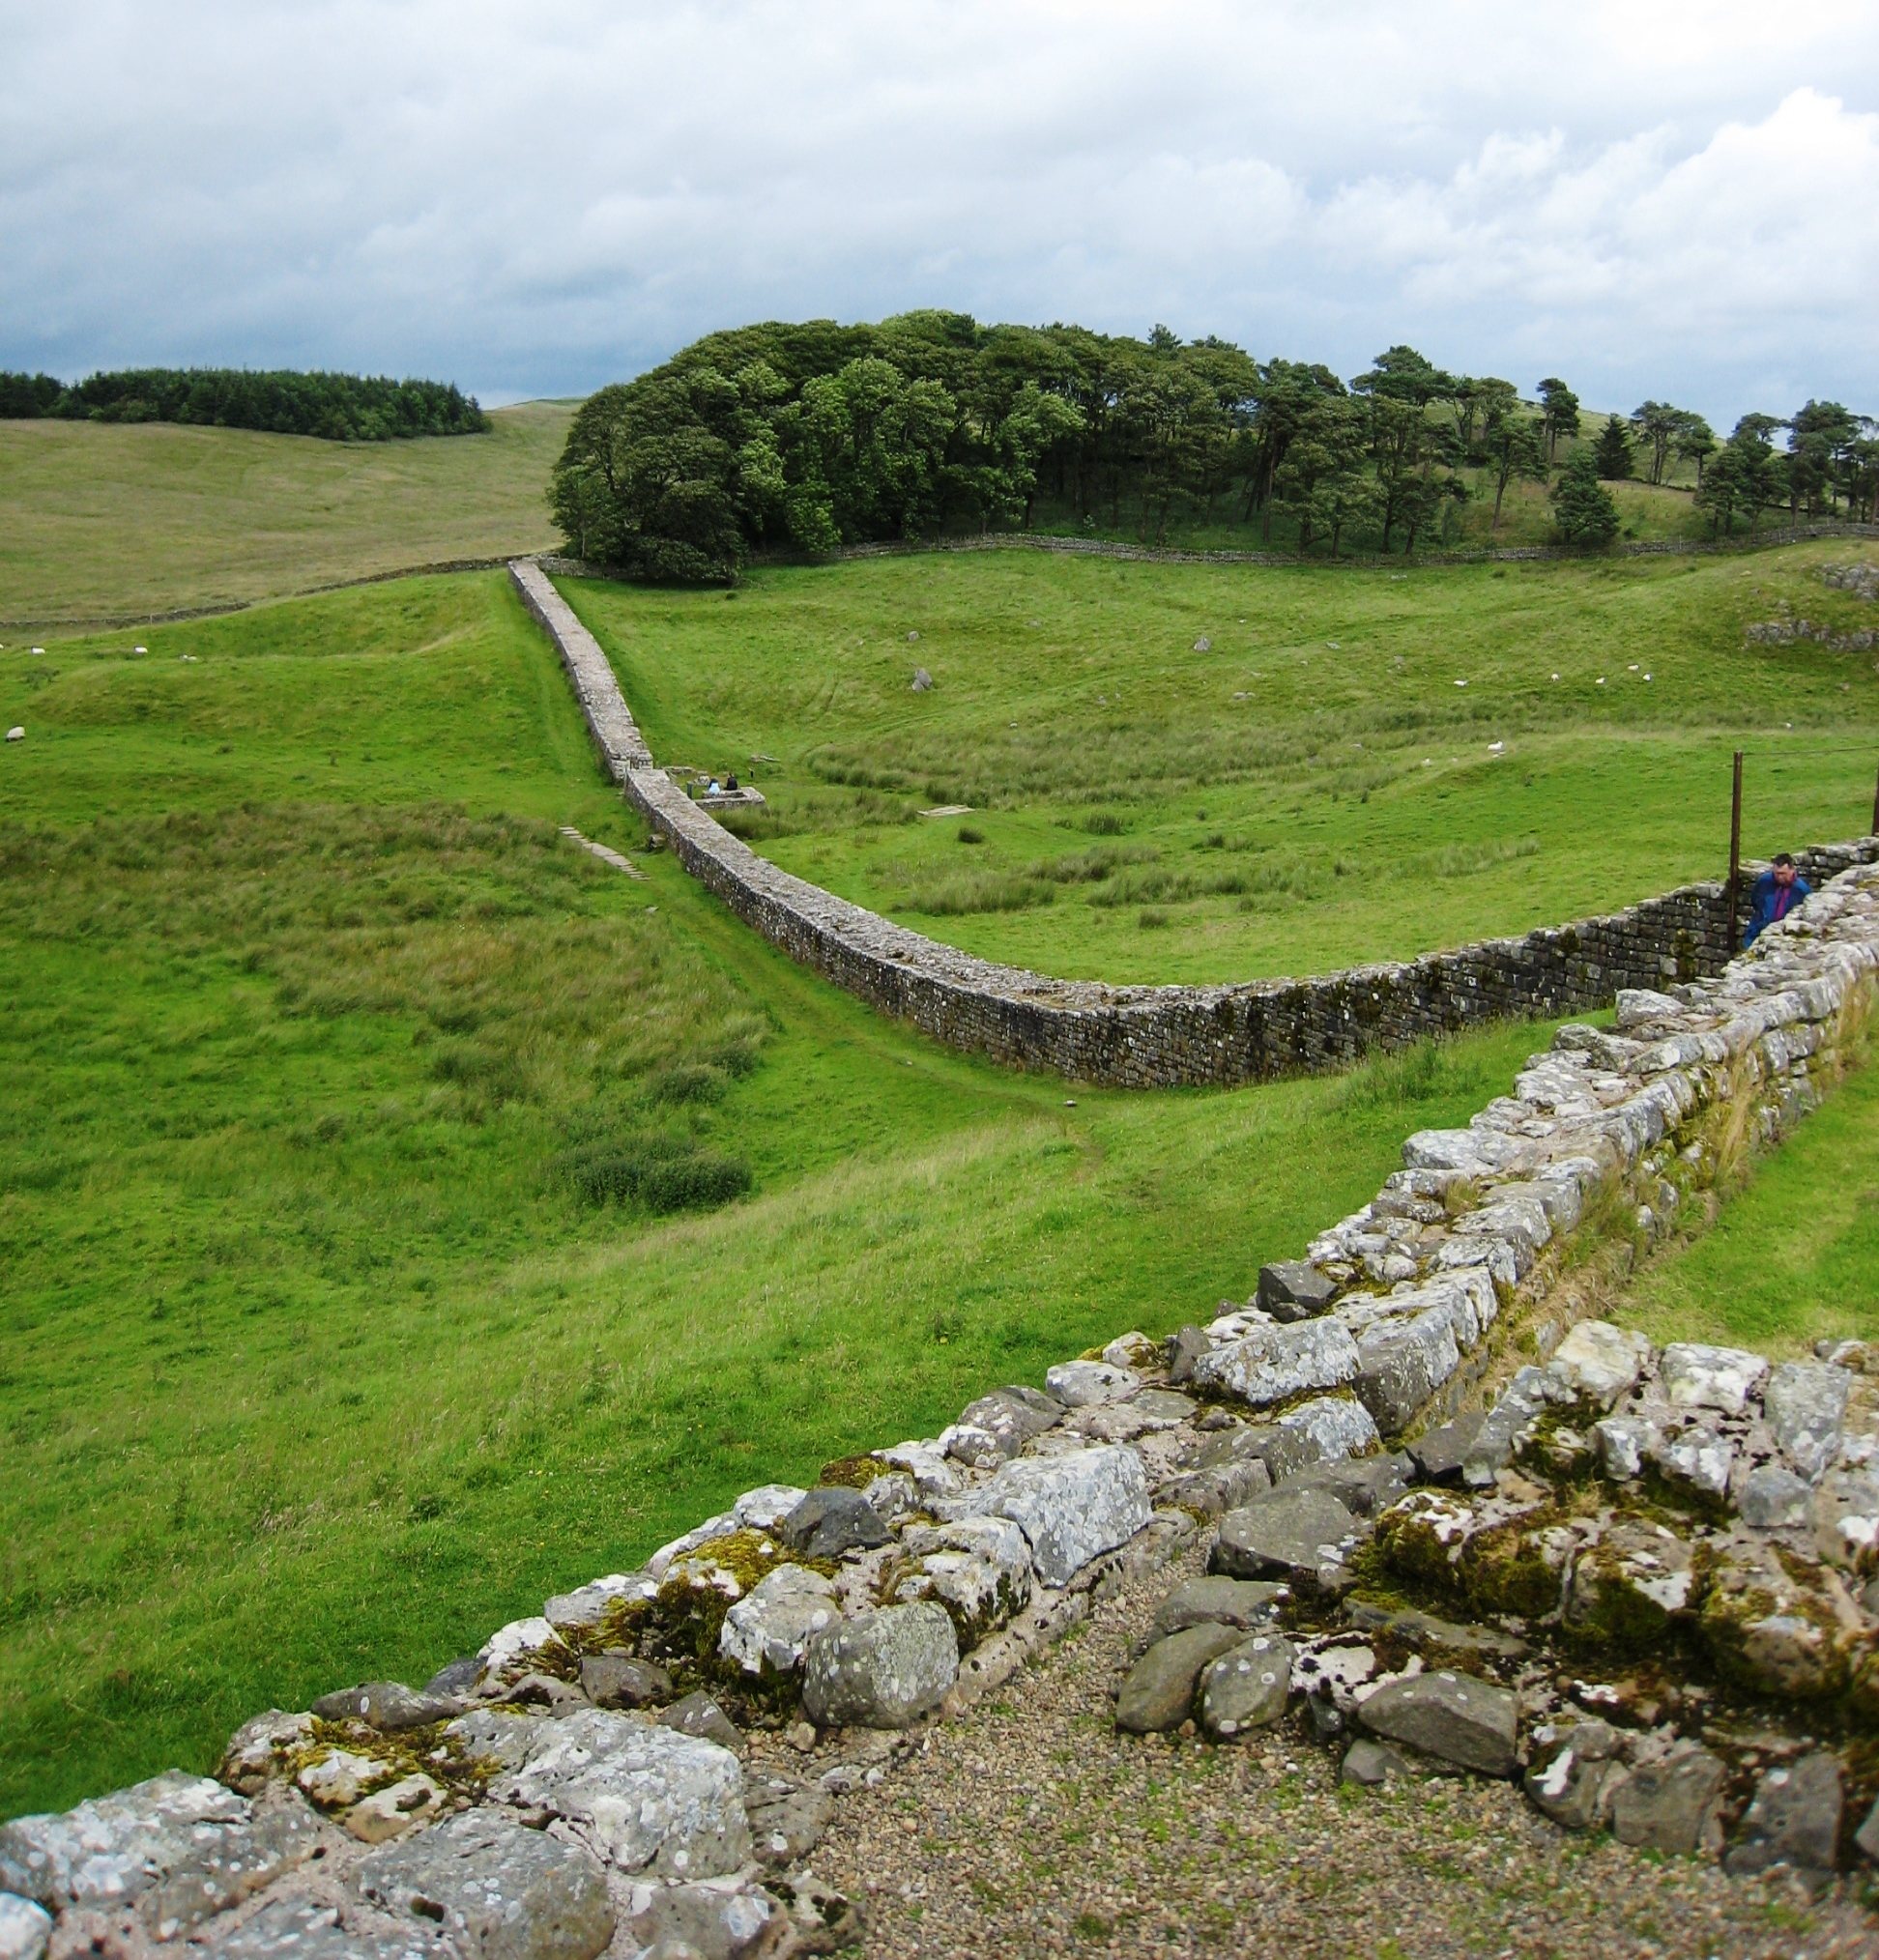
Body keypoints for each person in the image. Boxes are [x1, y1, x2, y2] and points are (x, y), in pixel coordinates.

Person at [1744, 852, 1810, 947]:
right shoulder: (1764, 881)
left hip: (1784, 937)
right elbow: (1755, 900)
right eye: (1776, 873)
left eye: (1783, 874)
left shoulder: (1801, 890)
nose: (1779, 877)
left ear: (1792, 871)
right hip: (1757, 932)